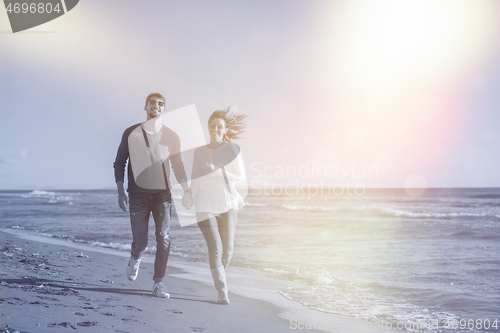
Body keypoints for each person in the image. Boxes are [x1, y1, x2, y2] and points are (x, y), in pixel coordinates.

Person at [113, 92, 193, 298]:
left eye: (160, 104)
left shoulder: (172, 136)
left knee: (164, 237)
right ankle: (135, 256)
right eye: (153, 103)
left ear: (164, 109)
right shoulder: (131, 133)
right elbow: (120, 162)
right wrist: (121, 192)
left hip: (162, 195)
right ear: (146, 106)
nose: (156, 106)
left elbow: (178, 166)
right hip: (138, 194)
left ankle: (158, 283)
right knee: (141, 242)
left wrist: (187, 190)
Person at [190, 105, 247, 304]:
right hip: (205, 204)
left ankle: (219, 275)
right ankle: (222, 291)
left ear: (225, 129)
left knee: (227, 252)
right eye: (212, 126)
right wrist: (190, 194)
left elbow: (240, 177)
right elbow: (195, 178)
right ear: (208, 127)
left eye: (219, 127)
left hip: (228, 204)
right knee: (215, 249)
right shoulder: (199, 151)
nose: (215, 129)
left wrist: (216, 171)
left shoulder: (232, 149)